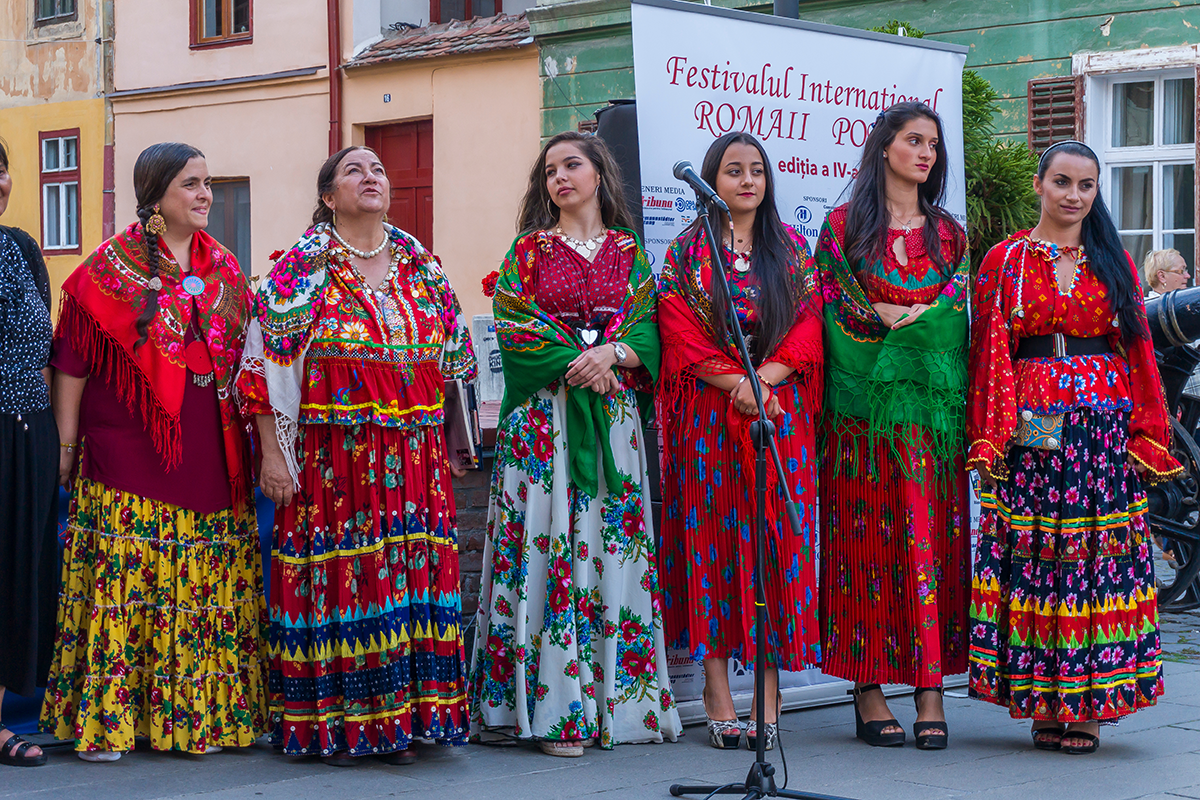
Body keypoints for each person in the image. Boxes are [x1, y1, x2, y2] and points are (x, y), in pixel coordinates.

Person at [236, 146, 477, 766]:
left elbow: (454, 364)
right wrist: (272, 455)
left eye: (377, 169)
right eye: (353, 171)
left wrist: (457, 437)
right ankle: (342, 726)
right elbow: (262, 370)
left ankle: (408, 723)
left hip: (417, 464)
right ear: (328, 196)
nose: (370, 177)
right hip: (335, 466)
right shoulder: (301, 267)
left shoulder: (422, 264)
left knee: (413, 583)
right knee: (344, 585)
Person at [41, 142, 266, 761]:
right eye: (190, 184)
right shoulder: (107, 270)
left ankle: (199, 722)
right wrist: (66, 445)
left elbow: (247, 361)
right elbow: (72, 364)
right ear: (156, 195)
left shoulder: (225, 268)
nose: (204, 194)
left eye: (207, 183)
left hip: (210, 446)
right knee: (128, 581)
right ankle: (109, 725)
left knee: (204, 588)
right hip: (130, 450)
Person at [468, 131, 680, 757]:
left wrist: (613, 353)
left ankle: (617, 707)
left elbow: (651, 327)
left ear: (598, 173)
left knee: (609, 549)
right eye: (550, 170)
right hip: (542, 427)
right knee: (545, 544)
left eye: (572, 165)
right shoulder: (528, 251)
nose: (560, 177)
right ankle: (551, 711)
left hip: (612, 425)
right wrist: (577, 361)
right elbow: (513, 324)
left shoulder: (628, 251)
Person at [967, 139, 1179, 754]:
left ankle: (1088, 703)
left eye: (1086, 186)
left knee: (1094, 560)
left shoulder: (1112, 256)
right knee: (1041, 556)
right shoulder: (1004, 260)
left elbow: (1138, 349)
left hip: (1102, 425)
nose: (1074, 196)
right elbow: (989, 350)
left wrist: (1145, 432)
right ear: (1040, 185)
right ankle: (1043, 700)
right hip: (1033, 416)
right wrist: (996, 434)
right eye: (1062, 182)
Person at [657, 132, 822, 752]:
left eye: (756, 171)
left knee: (777, 550)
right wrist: (739, 386)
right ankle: (717, 690)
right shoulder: (684, 255)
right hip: (710, 419)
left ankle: (771, 697)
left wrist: (768, 382)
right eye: (732, 171)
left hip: (781, 415)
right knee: (714, 546)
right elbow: (677, 333)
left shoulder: (793, 250)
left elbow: (809, 327)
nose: (746, 181)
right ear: (710, 180)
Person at [815, 102, 971, 750]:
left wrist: (910, 319)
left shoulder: (951, 235)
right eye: (914, 140)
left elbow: (958, 312)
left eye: (933, 143)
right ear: (885, 147)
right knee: (865, 550)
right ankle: (868, 686)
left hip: (931, 427)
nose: (927, 153)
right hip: (863, 429)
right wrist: (880, 314)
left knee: (932, 548)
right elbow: (829, 306)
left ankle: (931, 686)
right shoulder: (843, 228)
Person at [0, 139, 56, 768]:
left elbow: (46, 353)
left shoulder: (22, 249)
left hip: (29, 433)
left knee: (18, 575)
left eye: (2, 169)